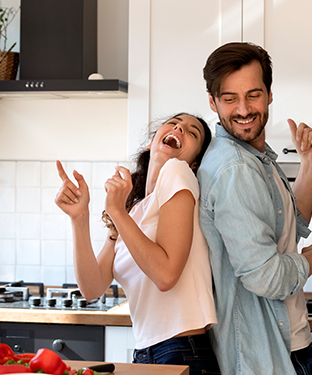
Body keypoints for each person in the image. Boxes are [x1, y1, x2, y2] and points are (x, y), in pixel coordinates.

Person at [197, 42, 312, 375]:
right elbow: (265, 277)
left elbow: (291, 224)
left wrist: (309, 164)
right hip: (268, 355)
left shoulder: (257, 158)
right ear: (213, 102)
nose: (243, 109)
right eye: (229, 98)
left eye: (253, 94)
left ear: (270, 94)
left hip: (292, 344)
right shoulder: (235, 169)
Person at [55, 113, 221, 375]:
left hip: (181, 350)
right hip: (147, 351)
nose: (180, 127)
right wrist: (80, 217)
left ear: (195, 162)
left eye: (192, 132)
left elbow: (166, 275)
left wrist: (116, 211)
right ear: (150, 142)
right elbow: (92, 287)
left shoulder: (178, 172)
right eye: (174, 122)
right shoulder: (134, 210)